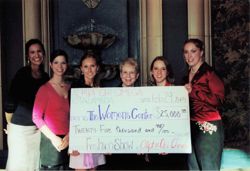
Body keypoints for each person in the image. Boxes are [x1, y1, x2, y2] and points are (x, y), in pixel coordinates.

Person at [4, 39, 49, 171]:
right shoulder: (22, 74)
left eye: (39, 51)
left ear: (44, 53)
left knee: (34, 166)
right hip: (20, 131)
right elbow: (9, 102)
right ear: (28, 56)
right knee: (19, 166)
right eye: (32, 52)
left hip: (38, 131)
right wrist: (10, 125)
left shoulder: (45, 77)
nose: (36, 55)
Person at [183, 38, 225, 170]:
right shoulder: (187, 75)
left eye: (193, 51)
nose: (189, 56)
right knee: (193, 167)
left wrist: (194, 92)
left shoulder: (209, 73)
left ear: (201, 53)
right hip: (190, 126)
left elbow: (219, 100)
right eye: (186, 52)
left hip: (208, 125)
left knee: (209, 166)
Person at [32, 49, 70, 170]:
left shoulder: (70, 87)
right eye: (56, 62)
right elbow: (36, 117)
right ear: (50, 65)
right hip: (51, 141)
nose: (60, 66)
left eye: (63, 63)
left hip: (68, 140)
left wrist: (69, 136)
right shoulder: (44, 89)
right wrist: (54, 138)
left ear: (67, 65)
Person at [69, 53, 105, 171]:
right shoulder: (76, 88)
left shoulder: (101, 87)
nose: (89, 70)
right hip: (80, 137)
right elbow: (72, 116)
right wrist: (73, 143)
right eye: (86, 66)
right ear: (81, 69)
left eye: (92, 66)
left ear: (97, 68)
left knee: (94, 168)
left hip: (96, 136)